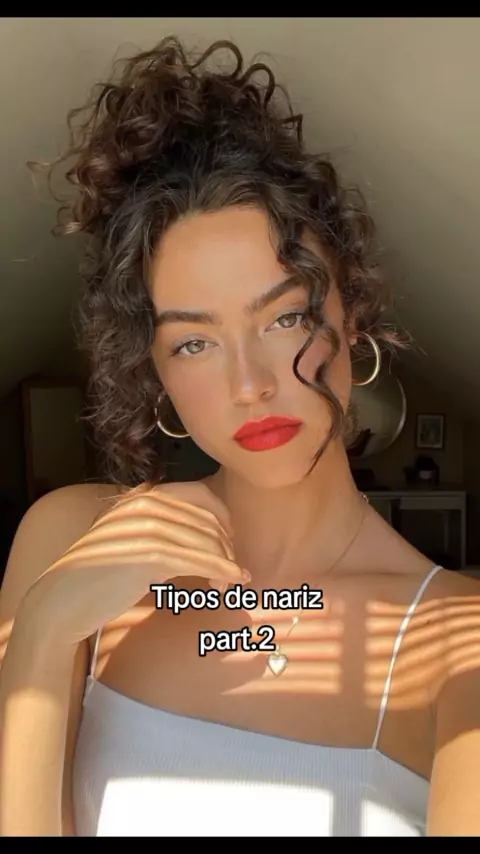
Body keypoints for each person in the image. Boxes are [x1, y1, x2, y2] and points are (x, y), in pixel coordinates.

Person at [0, 36, 479, 838]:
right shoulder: (71, 539)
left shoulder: (455, 639)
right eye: (195, 342)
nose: (249, 382)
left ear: (349, 316)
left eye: (284, 317)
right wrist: (44, 633)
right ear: (156, 372)